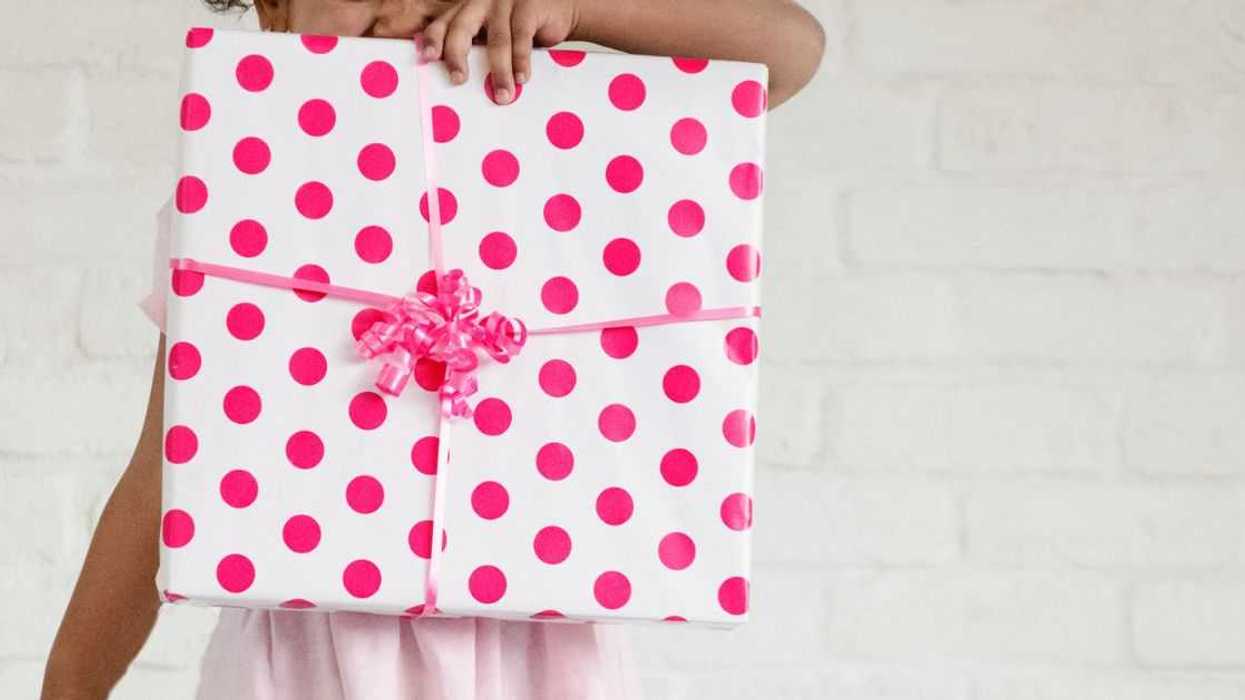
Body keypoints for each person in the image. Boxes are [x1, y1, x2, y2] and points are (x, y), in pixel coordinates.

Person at [42, 1, 824, 698]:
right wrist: (73, 680)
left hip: (541, 647)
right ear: (273, 13)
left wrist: (579, 9)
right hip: (302, 656)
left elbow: (790, 48)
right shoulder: (233, 193)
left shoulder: (554, 131)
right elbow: (166, 462)